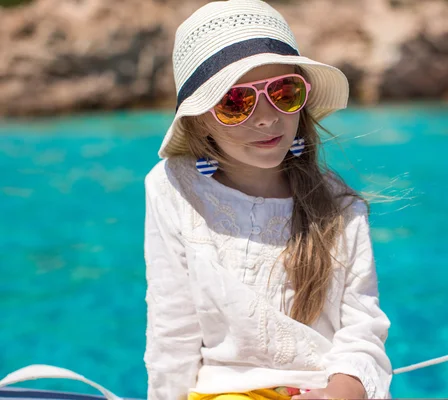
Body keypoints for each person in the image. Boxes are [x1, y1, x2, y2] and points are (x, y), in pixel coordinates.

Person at [143, 1, 393, 399]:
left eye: (283, 92)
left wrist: (343, 389)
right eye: (235, 101)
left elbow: (362, 331)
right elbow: (172, 330)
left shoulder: (342, 208)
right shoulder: (173, 188)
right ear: (200, 117)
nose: (265, 117)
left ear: (303, 98)